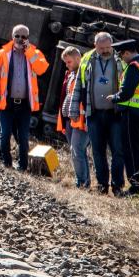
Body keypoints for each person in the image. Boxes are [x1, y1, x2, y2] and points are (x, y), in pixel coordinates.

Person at [0, 25, 50, 170]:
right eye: (17, 35)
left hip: (24, 104)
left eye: (23, 37)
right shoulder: (2, 54)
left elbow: (41, 69)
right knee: (5, 135)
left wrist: (29, 51)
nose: (20, 39)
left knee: (23, 137)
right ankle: (6, 162)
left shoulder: (34, 53)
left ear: (27, 39)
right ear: (12, 36)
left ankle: (22, 166)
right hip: (6, 102)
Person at [78, 32, 127, 195]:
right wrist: (74, 110)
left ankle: (118, 185)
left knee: (118, 151)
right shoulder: (87, 59)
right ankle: (102, 185)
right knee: (97, 151)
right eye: (101, 48)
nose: (105, 50)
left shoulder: (121, 60)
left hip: (116, 114)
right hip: (94, 113)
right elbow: (79, 84)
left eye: (108, 47)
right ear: (95, 46)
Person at [112, 39, 139, 196]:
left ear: (127, 53)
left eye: (122, 55)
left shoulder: (134, 67)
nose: (122, 59)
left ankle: (135, 187)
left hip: (131, 113)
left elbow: (126, 93)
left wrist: (113, 98)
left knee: (130, 149)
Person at [54, 46, 88, 188]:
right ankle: (84, 181)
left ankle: (81, 182)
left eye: (69, 62)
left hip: (81, 120)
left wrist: (86, 120)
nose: (67, 65)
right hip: (70, 119)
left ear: (78, 59)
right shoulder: (71, 74)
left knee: (77, 150)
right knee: (77, 150)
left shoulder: (85, 74)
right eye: (66, 63)